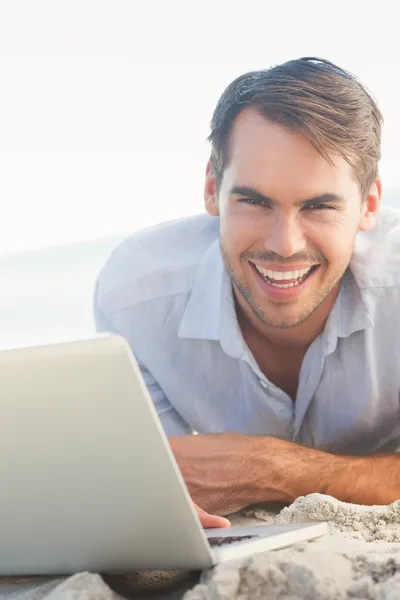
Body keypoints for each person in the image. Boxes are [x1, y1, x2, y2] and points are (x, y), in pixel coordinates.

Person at [93, 57, 400, 529]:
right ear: (213, 189)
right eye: (254, 202)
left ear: (369, 206)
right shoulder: (135, 298)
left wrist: (270, 468)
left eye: (318, 206)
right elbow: (162, 490)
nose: (284, 245)